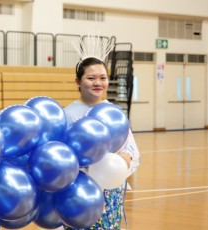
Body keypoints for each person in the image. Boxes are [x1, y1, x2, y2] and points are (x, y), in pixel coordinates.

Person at [63, 56, 141, 229]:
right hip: (79, 193)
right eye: (91, 78)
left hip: (111, 193)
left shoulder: (114, 114)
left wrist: (126, 158)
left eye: (103, 78)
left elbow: (132, 150)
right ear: (78, 81)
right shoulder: (68, 115)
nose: (97, 83)